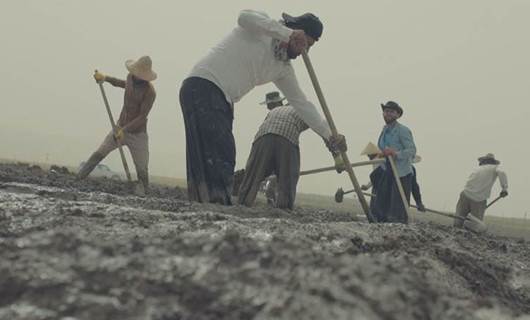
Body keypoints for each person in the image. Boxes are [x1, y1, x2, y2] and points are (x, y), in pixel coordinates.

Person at [179, 10, 345, 205]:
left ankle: (202, 205)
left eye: (308, 47)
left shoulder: (282, 68)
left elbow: (302, 104)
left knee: (205, 155)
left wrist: (329, 135)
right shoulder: (264, 28)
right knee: (223, 153)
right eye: (305, 43)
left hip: (221, 99)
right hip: (204, 85)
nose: (303, 50)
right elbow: (243, 17)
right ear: (293, 30)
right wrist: (286, 34)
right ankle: (217, 205)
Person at [78, 56, 157, 195]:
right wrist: (105, 78)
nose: (137, 76)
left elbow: (142, 117)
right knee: (100, 153)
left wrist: (124, 130)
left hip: (138, 135)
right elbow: (120, 83)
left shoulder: (150, 92)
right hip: (119, 127)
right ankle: (78, 178)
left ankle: (144, 192)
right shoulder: (130, 78)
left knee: (142, 169)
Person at [238, 91, 310, 209]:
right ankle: (284, 208)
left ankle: (242, 203)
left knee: (253, 174)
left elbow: (271, 141)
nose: (268, 108)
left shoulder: (275, 112)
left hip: (262, 137)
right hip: (287, 138)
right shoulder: (302, 110)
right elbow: (321, 127)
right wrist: (336, 153)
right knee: (288, 176)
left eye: (269, 105)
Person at [369, 101, 417, 223]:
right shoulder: (384, 131)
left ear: (397, 114)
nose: (388, 114)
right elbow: (384, 149)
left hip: (401, 174)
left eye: (391, 111)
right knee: (382, 205)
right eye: (386, 111)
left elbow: (412, 150)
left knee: (397, 210)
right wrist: (379, 153)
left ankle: (398, 233)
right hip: (387, 171)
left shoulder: (403, 130)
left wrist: (396, 154)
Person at [454, 153, 508, 228]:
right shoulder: (495, 167)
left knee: (458, 221)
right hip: (478, 200)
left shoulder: (478, 169)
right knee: (475, 225)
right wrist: (504, 189)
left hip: (465, 195)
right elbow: (502, 172)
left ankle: (455, 234)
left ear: (483, 161)